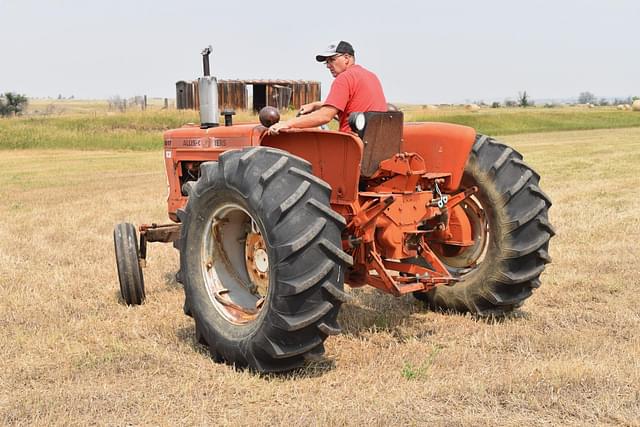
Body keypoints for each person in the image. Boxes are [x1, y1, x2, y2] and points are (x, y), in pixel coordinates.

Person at [268, 40, 387, 135]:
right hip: (373, 142)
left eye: (332, 60)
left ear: (346, 58)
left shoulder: (344, 78)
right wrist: (316, 105)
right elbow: (351, 105)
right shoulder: (371, 76)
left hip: (351, 145)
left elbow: (324, 116)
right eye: (326, 62)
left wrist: (288, 123)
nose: (328, 66)